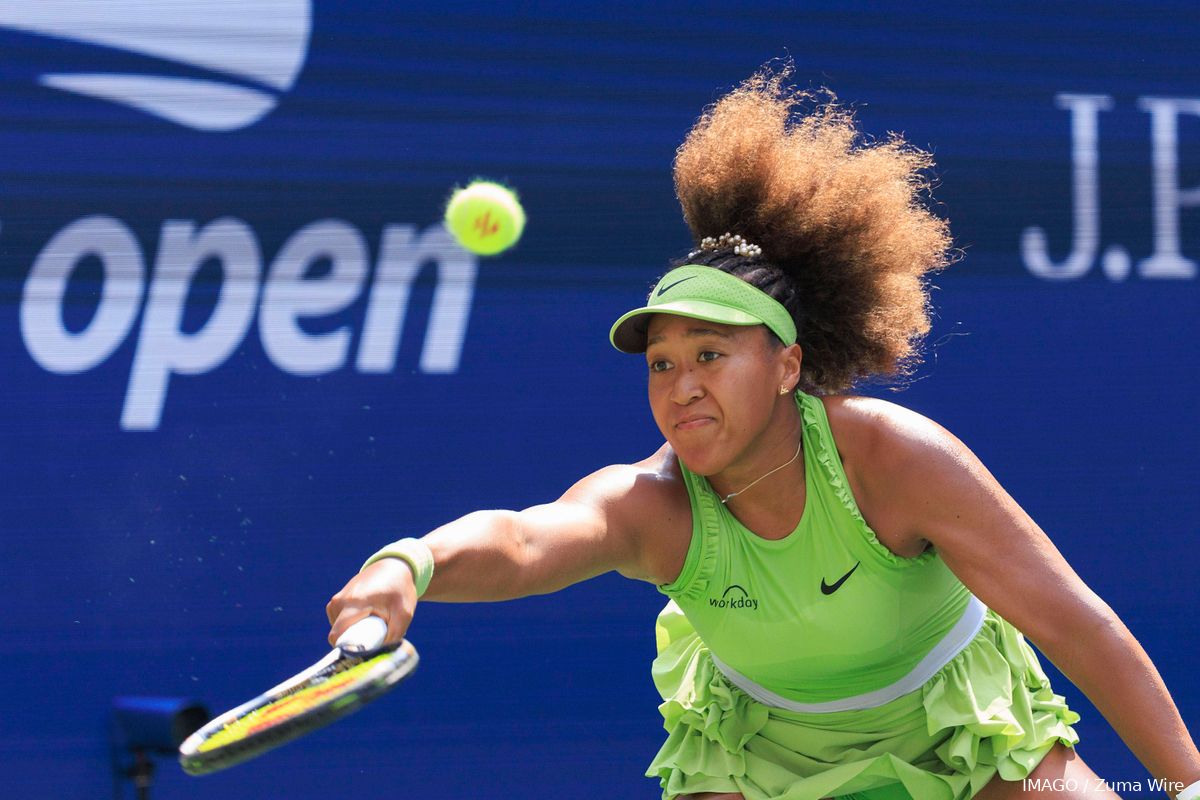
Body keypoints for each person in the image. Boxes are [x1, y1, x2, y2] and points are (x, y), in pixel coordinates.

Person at [326, 66, 1200, 800]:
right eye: (661, 363)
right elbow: (521, 540)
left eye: (710, 353)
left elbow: (1074, 623)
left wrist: (1189, 781)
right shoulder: (651, 506)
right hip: (758, 756)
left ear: (787, 366)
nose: (681, 386)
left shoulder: (894, 458)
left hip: (959, 728)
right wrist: (409, 565)